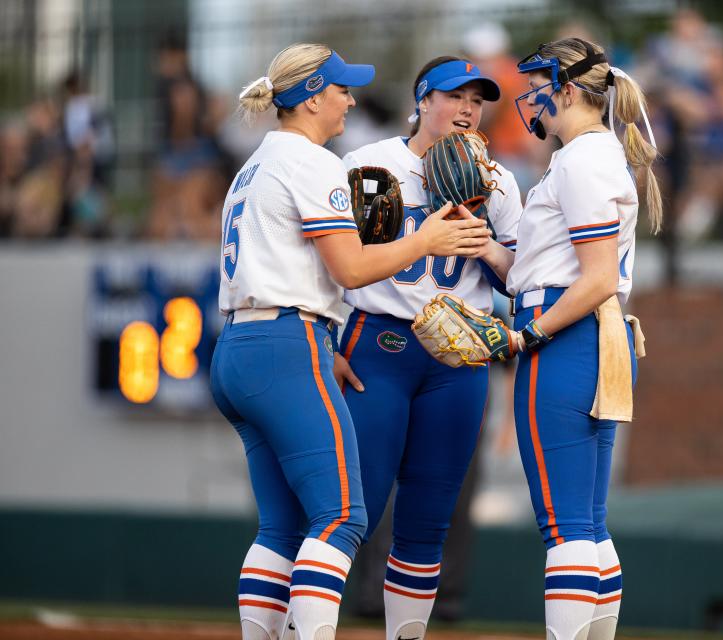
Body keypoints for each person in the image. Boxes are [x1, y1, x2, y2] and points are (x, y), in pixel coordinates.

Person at [208, 43, 490, 640]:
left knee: (281, 529)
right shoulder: (312, 162)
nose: (350, 100)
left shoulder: (254, 163)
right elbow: (353, 269)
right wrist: (427, 240)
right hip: (287, 343)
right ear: (311, 97)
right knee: (341, 516)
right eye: (340, 89)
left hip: (239, 346)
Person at [471, 37, 661, 640]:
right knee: (590, 524)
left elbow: (595, 276)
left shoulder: (581, 157)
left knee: (565, 527)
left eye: (539, 86)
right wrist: (487, 249)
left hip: (569, 333)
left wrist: (526, 333)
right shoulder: (592, 155)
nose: (533, 100)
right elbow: (549, 268)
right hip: (593, 332)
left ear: (569, 89)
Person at [339, 56, 523, 640]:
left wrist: (488, 246)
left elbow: (519, 277)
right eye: (454, 96)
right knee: (350, 511)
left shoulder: (496, 179)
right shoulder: (373, 165)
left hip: (457, 358)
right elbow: (347, 267)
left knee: (429, 518)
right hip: (382, 343)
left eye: (477, 99)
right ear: (422, 100)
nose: (468, 109)